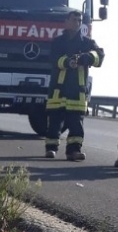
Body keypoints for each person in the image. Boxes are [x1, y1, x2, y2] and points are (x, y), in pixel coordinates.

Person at [44, 11, 104, 161]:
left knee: (76, 124)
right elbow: (53, 58)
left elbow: (99, 56)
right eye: (74, 20)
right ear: (66, 21)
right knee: (54, 122)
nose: (77, 23)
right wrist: (67, 62)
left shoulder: (87, 43)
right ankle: (51, 149)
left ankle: (74, 151)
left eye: (79, 20)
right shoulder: (58, 41)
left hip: (77, 90)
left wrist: (87, 57)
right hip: (59, 88)